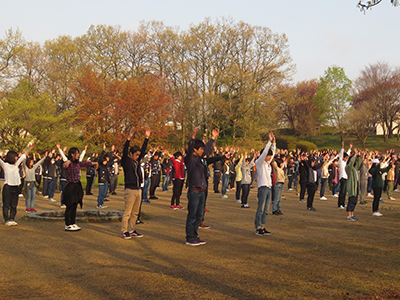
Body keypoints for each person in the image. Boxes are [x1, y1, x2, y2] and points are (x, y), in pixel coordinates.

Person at [184, 126, 219, 246]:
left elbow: (208, 149)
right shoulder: (190, 160)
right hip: (194, 190)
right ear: (195, 149)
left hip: (202, 191)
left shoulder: (200, 160)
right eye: (200, 149)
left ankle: (195, 235)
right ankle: (190, 237)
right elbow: (189, 152)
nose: (202, 151)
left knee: (199, 216)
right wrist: (193, 136)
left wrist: (213, 138)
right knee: (192, 215)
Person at [120, 128, 150, 239]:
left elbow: (143, 150)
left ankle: (132, 229)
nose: (138, 157)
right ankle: (124, 230)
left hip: (138, 189)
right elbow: (124, 151)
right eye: (136, 155)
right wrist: (128, 139)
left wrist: (146, 138)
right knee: (128, 212)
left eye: (139, 155)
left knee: (136, 212)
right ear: (131, 154)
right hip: (130, 189)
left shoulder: (137, 162)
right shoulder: (126, 161)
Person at [62, 147, 97, 231]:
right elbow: (64, 164)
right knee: (69, 205)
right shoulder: (68, 163)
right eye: (76, 153)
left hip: (77, 185)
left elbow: (85, 163)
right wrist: (69, 161)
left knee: (75, 205)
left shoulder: (77, 163)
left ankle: (73, 222)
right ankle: (68, 224)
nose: (78, 155)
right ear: (72, 154)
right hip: (70, 186)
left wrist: (94, 163)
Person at [1, 145, 34, 225]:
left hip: (16, 187)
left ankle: (12, 218)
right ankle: (7, 220)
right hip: (8, 187)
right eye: (15, 157)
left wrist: (28, 149)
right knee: (6, 205)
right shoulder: (5, 165)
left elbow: (23, 156)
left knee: (14, 205)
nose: (17, 158)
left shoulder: (16, 165)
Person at [254, 132, 276, 236]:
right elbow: (264, 154)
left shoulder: (268, 164)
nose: (269, 157)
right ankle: (258, 228)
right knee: (261, 208)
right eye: (269, 156)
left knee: (267, 209)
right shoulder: (259, 163)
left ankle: (263, 226)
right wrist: (269, 142)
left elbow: (273, 154)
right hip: (262, 188)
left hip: (268, 188)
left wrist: (274, 144)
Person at [345, 150, 363, 221]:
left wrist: (361, 155)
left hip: (356, 187)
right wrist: (354, 155)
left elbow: (359, 162)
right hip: (352, 187)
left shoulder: (355, 169)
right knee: (351, 201)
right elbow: (351, 163)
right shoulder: (348, 168)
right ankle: (349, 216)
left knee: (354, 201)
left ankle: (352, 214)